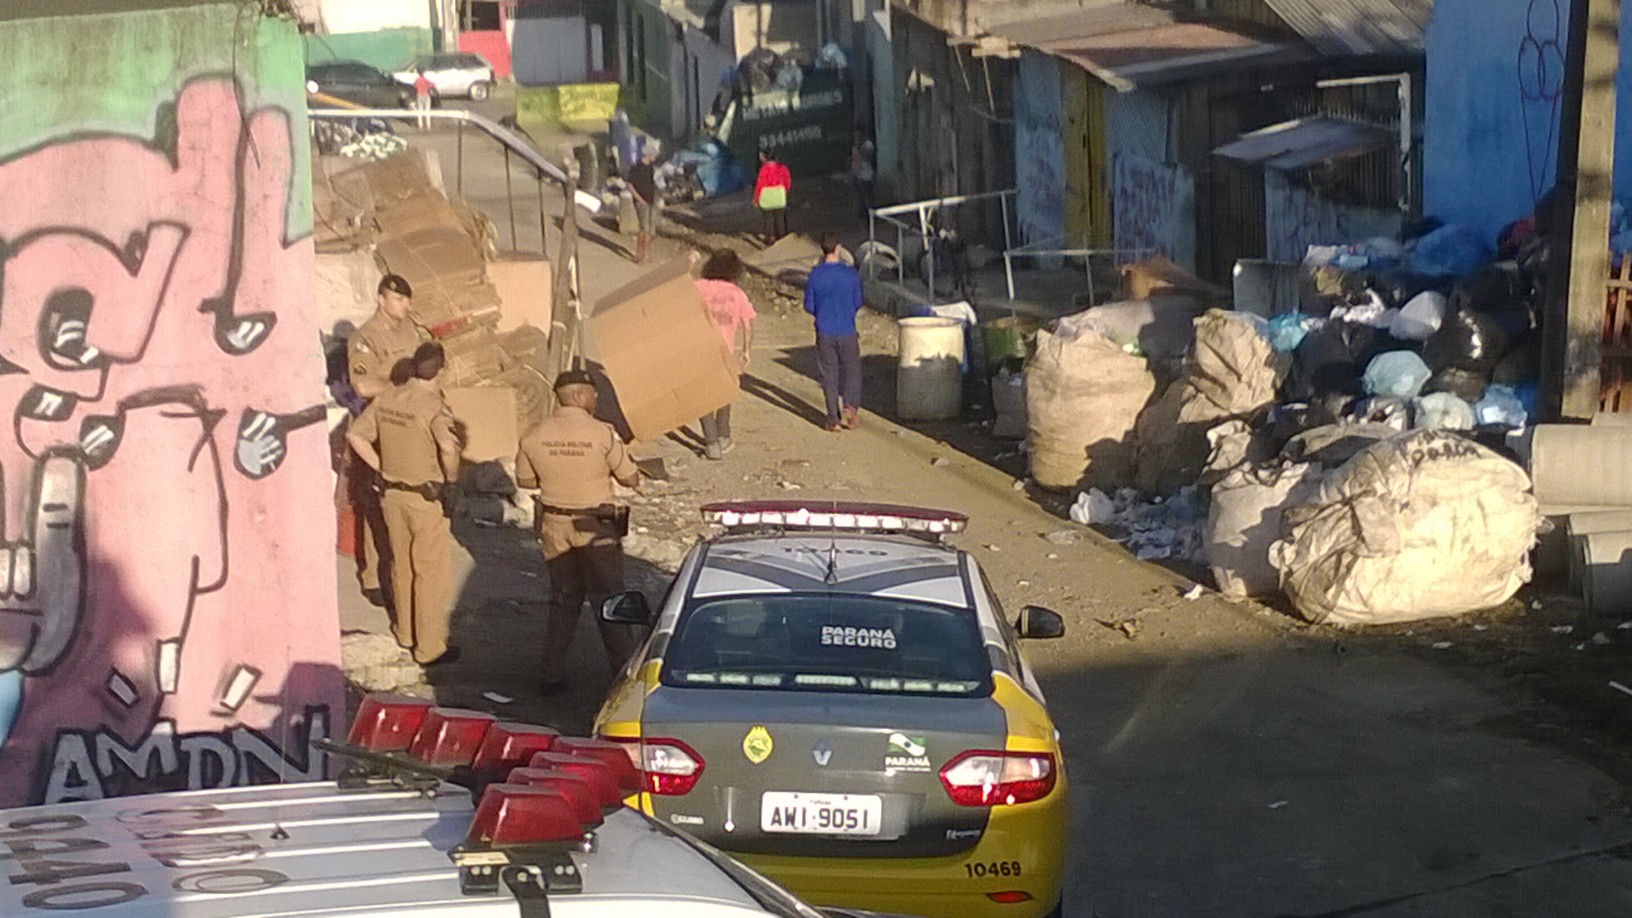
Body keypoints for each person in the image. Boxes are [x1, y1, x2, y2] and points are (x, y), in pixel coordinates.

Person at [516, 369, 642, 694]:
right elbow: (630, 477)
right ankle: (625, 676)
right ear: (579, 396)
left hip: (554, 524)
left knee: (562, 600)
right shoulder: (602, 433)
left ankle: (551, 673)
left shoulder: (534, 433)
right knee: (611, 598)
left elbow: (526, 481)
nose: (596, 399)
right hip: (594, 526)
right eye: (593, 393)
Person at [347, 342, 462, 667]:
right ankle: (429, 647)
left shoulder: (388, 398)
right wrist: (452, 483)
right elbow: (448, 448)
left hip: (391, 494)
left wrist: (381, 466)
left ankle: (405, 632)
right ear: (441, 370)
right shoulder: (434, 406)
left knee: (401, 566)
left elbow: (356, 435)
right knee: (430, 572)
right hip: (424, 499)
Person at [347, 274, 432, 607]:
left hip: (409, 425)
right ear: (381, 299)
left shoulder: (410, 331)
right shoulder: (365, 338)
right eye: (398, 300)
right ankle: (373, 578)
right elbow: (362, 387)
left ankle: (401, 569)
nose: (405, 306)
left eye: (407, 300)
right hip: (380, 423)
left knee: (405, 496)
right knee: (376, 500)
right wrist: (401, 388)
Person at [694, 250, 756, 459]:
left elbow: (678, 294)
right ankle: (724, 436)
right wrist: (746, 350)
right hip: (726, 351)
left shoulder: (699, 287)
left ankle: (711, 443)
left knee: (701, 398)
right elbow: (748, 325)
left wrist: (689, 261)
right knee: (724, 393)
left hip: (701, 349)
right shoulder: (737, 293)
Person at [803, 233, 865, 431]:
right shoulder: (850, 274)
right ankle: (850, 406)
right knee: (852, 370)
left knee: (829, 374)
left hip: (825, 331)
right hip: (847, 329)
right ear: (838, 248)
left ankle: (832, 418)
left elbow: (809, 305)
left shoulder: (815, 275)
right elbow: (858, 302)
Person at [627, 144, 660, 263]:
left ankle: (647, 254)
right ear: (648, 154)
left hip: (651, 201)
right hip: (641, 202)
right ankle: (639, 253)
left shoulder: (651, 167)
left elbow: (652, 183)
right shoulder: (636, 167)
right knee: (643, 228)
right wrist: (639, 199)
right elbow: (629, 185)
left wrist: (655, 196)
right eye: (654, 155)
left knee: (650, 230)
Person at [752, 148, 791, 242]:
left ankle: (769, 237)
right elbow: (787, 182)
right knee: (780, 218)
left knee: (768, 219)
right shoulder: (783, 168)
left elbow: (759, 185)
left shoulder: (763, 170)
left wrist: (755, 200)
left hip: (766, 197)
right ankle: (782, 238)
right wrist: (783, 191)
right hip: (779, 195)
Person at [850, 130, 876, 218]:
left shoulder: (867, 145)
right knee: (860, 194)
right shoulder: (855, 146)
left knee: (868, 194)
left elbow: (868, 157)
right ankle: (862, 210)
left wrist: (860, 150)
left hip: (866, 174)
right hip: (857, 174)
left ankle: (871, 212)